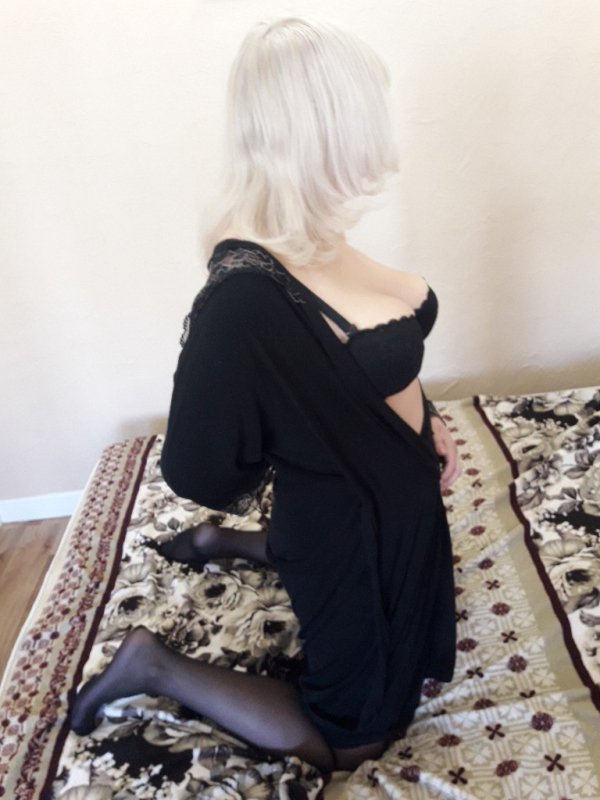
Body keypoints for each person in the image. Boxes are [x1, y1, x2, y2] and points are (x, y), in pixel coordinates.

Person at [70, 16, 460, 772]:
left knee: (412, 650)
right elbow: (197, 466)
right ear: (323, 129)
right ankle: (154, 665)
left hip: (399, 509)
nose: (382, 133)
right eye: (367, 112)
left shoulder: (315, 235)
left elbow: (368, 355)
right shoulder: (243, 296)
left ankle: (223, 546)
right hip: (345, 527)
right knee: (356, 737)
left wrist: (428, 422)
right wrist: (311, 454)